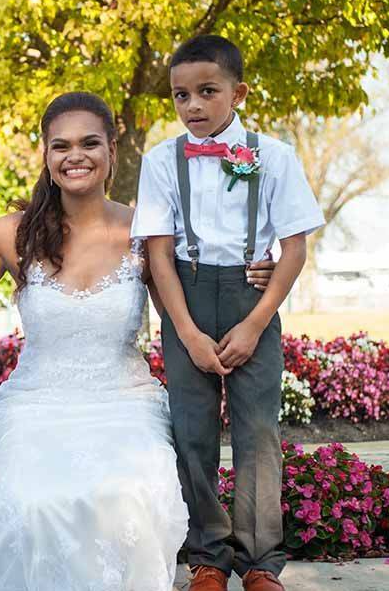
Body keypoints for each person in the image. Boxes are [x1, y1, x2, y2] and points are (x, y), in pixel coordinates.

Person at [0, 92, 276, 590]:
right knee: (39, 500)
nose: (75, 156)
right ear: (45, 153)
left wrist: (261, 269)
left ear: (112, 146)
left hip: (123, 401)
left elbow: (201, 283)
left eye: (90, 143)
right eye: (60, 145)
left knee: (129, 493)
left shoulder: (147, 229)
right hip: (39, 402)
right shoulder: (13, 234)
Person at [132, 35, 325, 591]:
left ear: (237, 93)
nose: (192, 105)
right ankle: (209, 556)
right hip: (185, 297)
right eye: (180, 96)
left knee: (257, 432)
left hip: (251, 298)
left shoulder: (276, 156)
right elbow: (158, 254)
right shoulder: (161, 161)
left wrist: (256, 321)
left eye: (207, 92)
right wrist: (186, 332)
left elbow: (293, 247)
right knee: (192, 432)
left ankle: (261, 563)